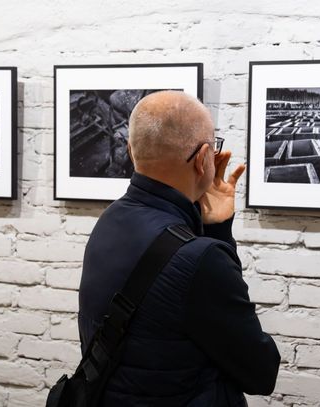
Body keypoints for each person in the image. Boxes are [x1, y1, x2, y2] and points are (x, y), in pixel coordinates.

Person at [78, 90, 281, 406]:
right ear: (202, 159)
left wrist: (212, 227)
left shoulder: (110, 220)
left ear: (130, 150)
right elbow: (261, 372)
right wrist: (219, 235)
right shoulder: (201, 259)